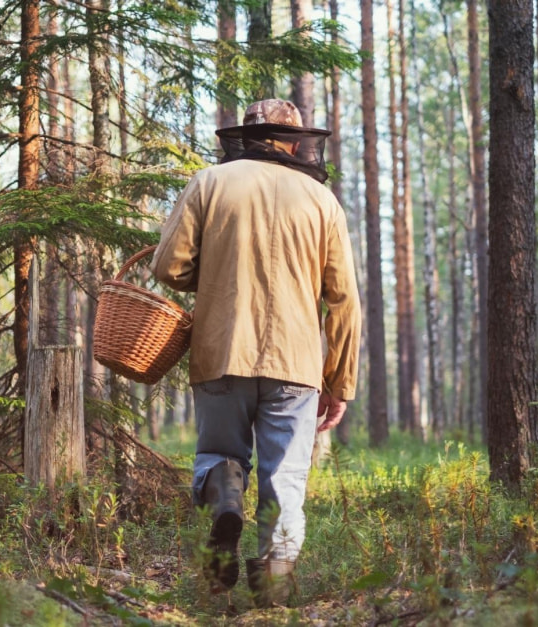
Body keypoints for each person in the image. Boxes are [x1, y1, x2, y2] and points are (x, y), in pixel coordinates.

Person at [150, 99, 362, 607]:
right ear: (295, 142)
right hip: (296, 363)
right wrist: (340, 382)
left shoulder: (209, 183)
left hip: (221, 350)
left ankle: (226, 494)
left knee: (219, 454)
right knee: (284, 476)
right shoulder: (322, 200)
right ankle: (273, 590)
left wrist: (218, 275)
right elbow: (344, 301)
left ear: (245, 136)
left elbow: (167, 267)